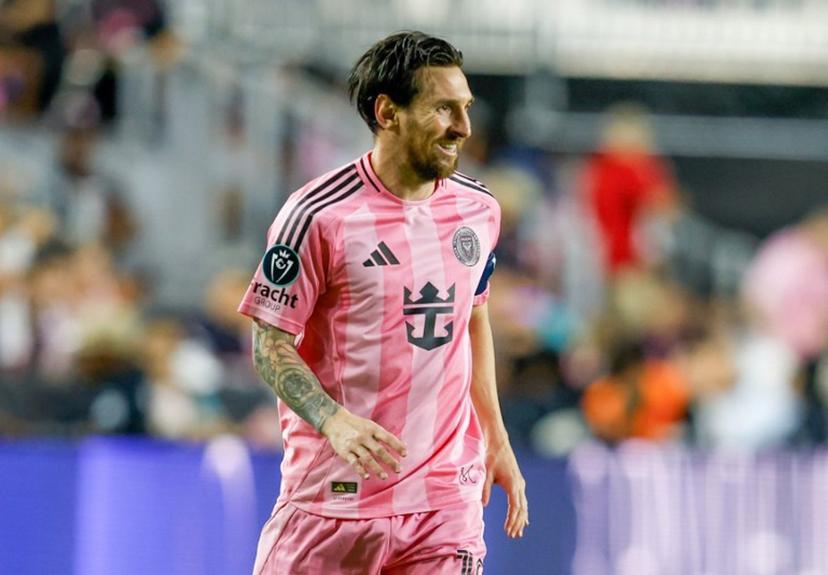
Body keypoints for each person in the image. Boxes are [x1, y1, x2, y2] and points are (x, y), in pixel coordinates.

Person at [237, 31, 528, 574]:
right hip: (334, 500)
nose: (463, 127)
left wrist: (495, 436)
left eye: (464, 109)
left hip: (444, 501)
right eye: (444, 109)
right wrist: (333, 421)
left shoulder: (479, 210)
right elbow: (269, 342)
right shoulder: (317, 216)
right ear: (388, 112)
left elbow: (473, 315)